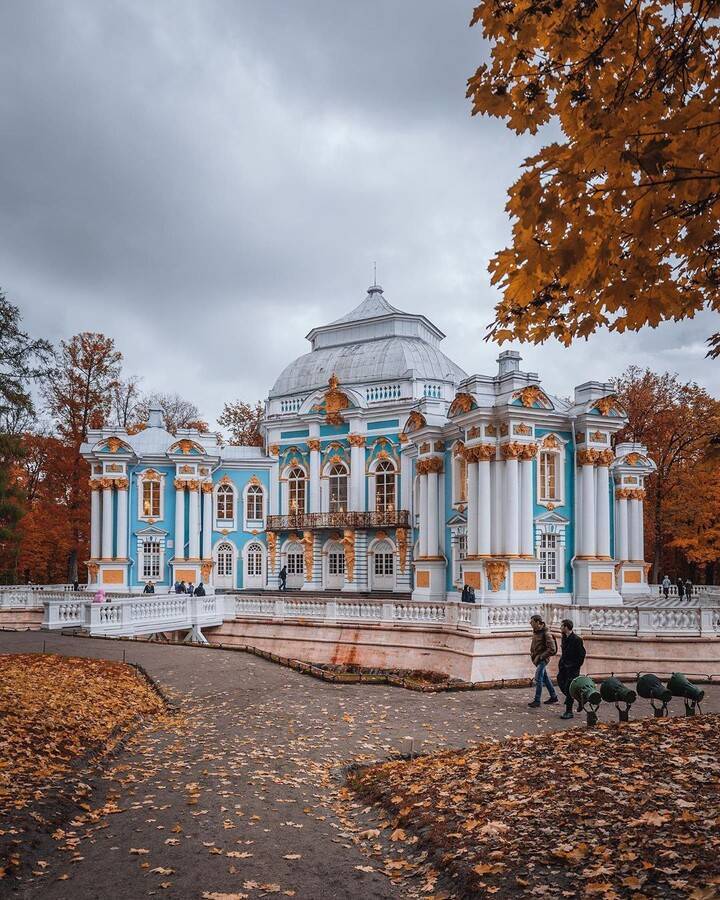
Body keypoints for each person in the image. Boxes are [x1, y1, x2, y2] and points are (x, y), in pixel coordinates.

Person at [556, 619, 586, 720]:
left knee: (569, 688)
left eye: (561, 626)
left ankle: (569, 712)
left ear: (566, 627)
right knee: (560, 681)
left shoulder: (577, 639)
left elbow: (582, 655)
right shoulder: (564, 637)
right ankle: (579, 699)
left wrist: (574, 666)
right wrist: (561, 663)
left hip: (573, 668)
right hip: (564, 667)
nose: (560, 628)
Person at [528, 614, 559, 708]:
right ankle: (553, 697)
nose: (530, 624)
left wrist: (541, 657)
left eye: (532, 622)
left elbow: (552, 649)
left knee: (538, 678)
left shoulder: (546, 633)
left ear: (538, 622)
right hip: (537, 659)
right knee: (545, 678)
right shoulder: (537, 631)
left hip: (542, 660)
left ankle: (537, 700)